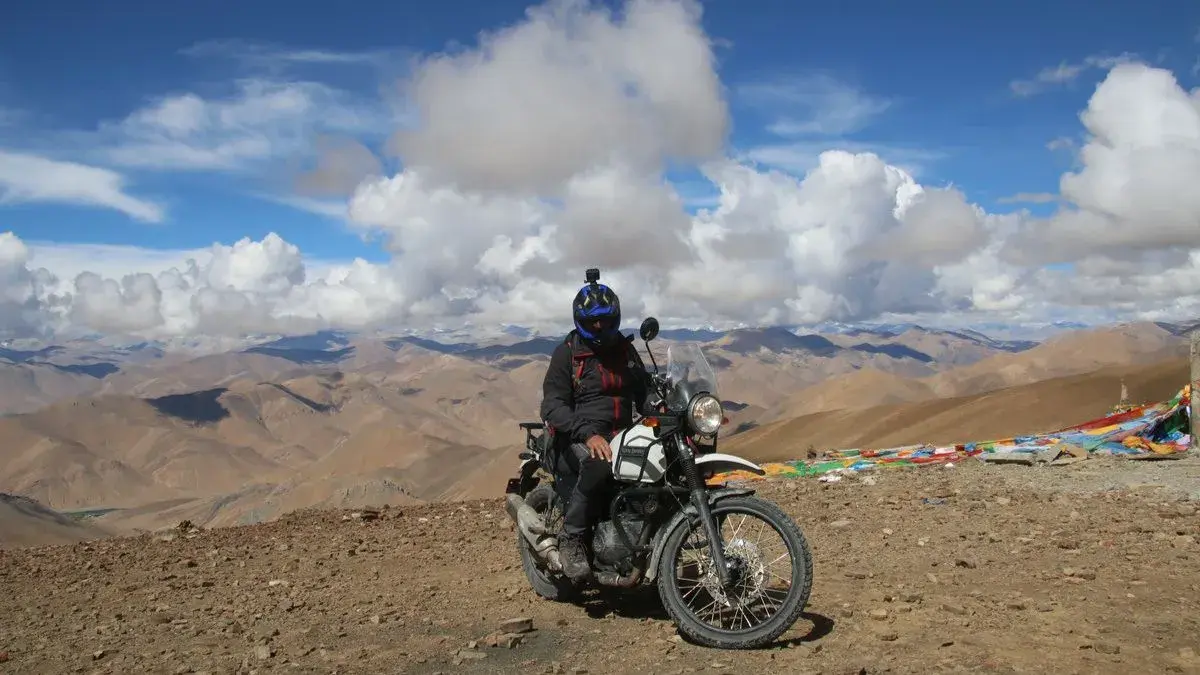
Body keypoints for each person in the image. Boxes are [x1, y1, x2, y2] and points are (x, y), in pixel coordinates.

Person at [539, 274, 648, 583]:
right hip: (576, 437)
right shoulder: (568, 354)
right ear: (581, 321)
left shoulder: (626, 352)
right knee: (597, 462)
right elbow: (552, 405)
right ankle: (571, 539)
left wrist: (673, 410)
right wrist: (588, 433)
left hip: (621, 436)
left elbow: (644, 393)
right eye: (593, 323)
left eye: (606, 321)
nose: (600, 328)